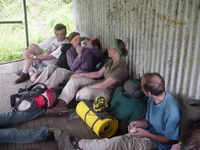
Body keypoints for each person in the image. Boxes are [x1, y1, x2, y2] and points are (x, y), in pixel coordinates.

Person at [55, 72, 181, 150]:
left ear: (148, 93)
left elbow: (171, 140)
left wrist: (147, 135)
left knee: (115, 143)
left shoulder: (171, 109)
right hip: (146, 135)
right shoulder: (152, 100)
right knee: (115, 142)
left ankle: (78, 145)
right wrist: (139, 123)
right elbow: (148, 121)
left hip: (156, 145)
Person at [52, 38, 128, 110]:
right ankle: (62, 104)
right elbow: (98, 73)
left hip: (107, 93)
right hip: (100, 83)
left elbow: (104, 85)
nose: (107, 49)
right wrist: (81, 75)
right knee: (74, 79)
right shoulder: (110, 61)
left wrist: (86, 87)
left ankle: (76, 106)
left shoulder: (120, 68)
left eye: (109, 47)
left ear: (114, 50)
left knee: (85, 92)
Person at [33, 32, 103, 89]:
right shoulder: (70, 52)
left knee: (60, 71)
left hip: (85, 74)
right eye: (75, 40)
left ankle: (43, 88)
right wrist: (79, 56)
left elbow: (100, 56)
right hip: (74, 73)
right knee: (50, 67)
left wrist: (92, 47)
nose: (78, 41)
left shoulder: (87, 49)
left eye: (79, 39)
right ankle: (34, 86)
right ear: (71, 42)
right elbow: (73, 68)